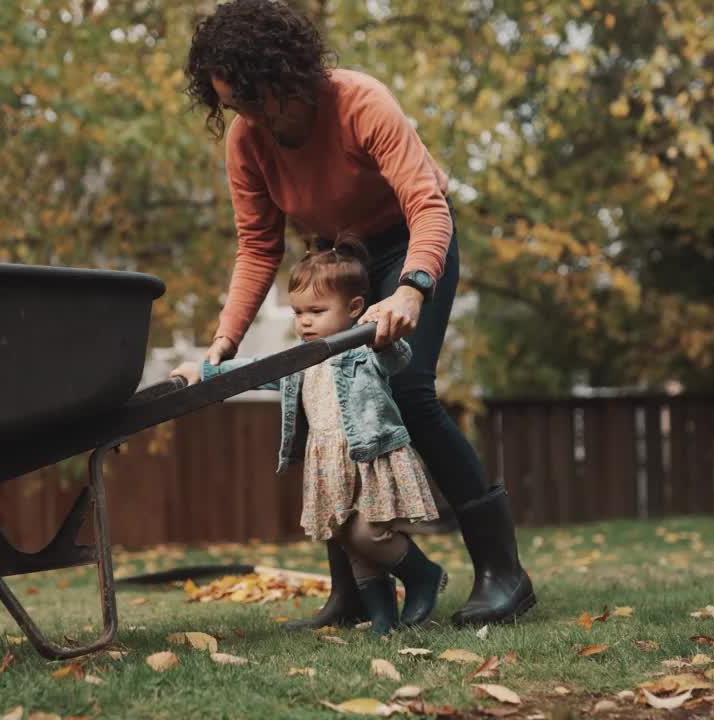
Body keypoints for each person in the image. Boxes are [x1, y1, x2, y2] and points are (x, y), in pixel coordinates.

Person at [182, 0, 535, 628]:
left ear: (285, 73)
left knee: (407, 388)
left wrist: (411, 288)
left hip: (412, 242)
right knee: (328, 403)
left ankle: (503, 574)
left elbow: (428, 205)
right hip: (339, 261)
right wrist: (223, 341)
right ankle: (351, 592)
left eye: (255, 100)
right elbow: (258, 247)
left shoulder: (360, 102)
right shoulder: (248, 143)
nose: (248, 117)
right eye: (233, 106)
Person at [172, 236, 446, 634]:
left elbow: (398, 358)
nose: (304, 321)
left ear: (354, 309)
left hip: (369, 456)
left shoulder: (365, 348)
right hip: (329, 463)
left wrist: (384, 336)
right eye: (298, 312)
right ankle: (384, 620)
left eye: (316, 311)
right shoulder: (300, 360)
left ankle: (423, 575)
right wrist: (206, 371)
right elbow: (257, 369)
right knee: (348, 540)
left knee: (370, 534)